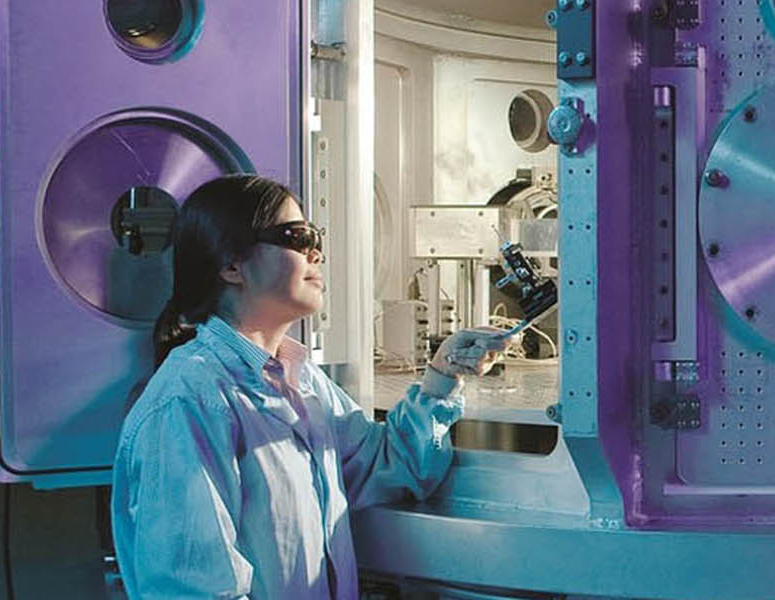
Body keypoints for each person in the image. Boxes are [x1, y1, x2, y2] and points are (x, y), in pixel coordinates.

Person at [109, 174, 505, 599]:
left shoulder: (301, 380)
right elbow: (195, 591)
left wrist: (443, 374)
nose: (316, 251)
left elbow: (384, 466)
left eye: (315, 236)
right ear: (231, 265)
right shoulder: (189, 401)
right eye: (296, 236)